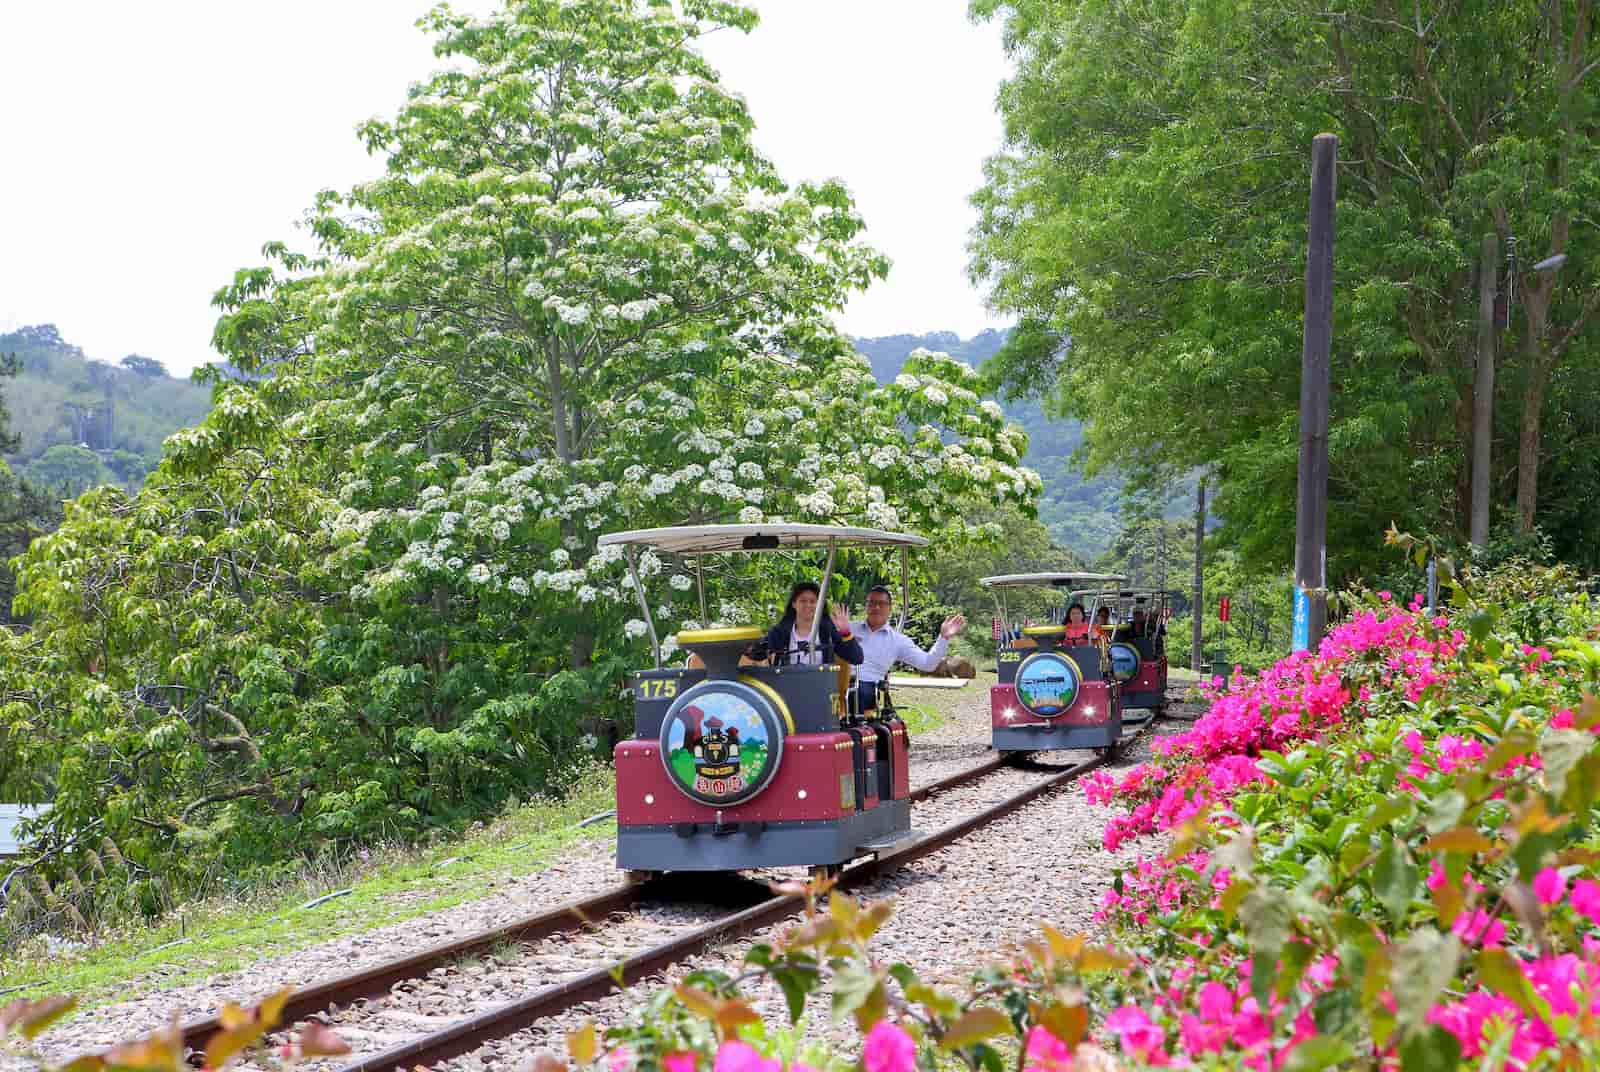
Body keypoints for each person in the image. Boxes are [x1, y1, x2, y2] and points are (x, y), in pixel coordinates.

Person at [849, 585, 965, 712]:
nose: (876, 607)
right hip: (838, 681)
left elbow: (927, 664)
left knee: (858, 692)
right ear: (866, 606)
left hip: (866, 688)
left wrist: (943, 638)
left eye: (881, 603)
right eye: (872, 603)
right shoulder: (849, 628)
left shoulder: (897, 641)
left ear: (889, 609)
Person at [763, 581, 863, 667]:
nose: (808, 605)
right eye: (803, 601)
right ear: (794, 604)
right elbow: (759, 653)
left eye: (813, 601)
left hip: (820, 686)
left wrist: (845, 632)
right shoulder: (779, 632)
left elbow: (857, 658)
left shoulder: (828, 631)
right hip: (785, 685)